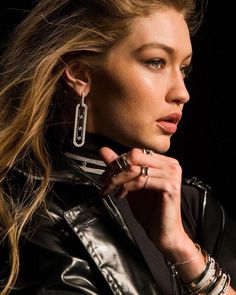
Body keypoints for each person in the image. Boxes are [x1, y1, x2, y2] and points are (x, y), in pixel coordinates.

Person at [0, 0, 235, 294]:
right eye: (156, 62)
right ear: (81, 74)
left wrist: (182, 249)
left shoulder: (195, 208)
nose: (182, 92)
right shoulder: (25, 212)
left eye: (183, 68)